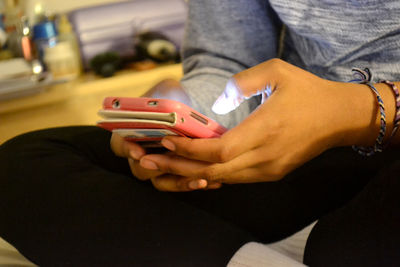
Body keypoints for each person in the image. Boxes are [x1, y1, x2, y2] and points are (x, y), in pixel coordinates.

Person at [1, 0, 400, 266]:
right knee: (22, 167)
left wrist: (360, 109)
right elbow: (228, 60)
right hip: (289, 151)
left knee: (349, 243)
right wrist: (187, 106)